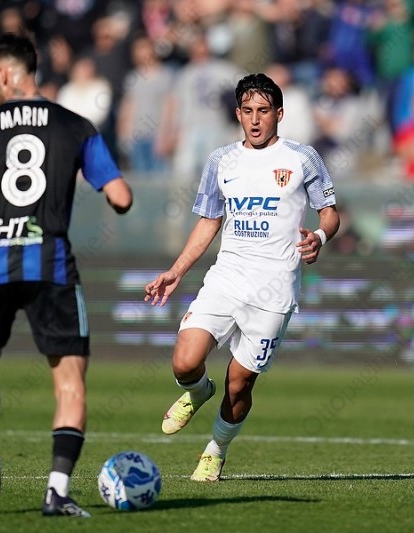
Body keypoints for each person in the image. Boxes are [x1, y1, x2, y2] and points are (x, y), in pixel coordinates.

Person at [0, 34, 133, 518]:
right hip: (50, 265)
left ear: (6, 74)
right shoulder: (75, 126)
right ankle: (57, 491)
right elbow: (121, 197)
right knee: (70, 381)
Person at [144, 73, 340, 482]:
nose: (255, 119)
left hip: (274, 290)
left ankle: (215, 451)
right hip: (227, 278)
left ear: (279, 114)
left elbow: (330, 213)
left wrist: (319, 237)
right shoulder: (221, 160)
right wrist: (176, 271)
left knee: (239, 384)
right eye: (247, 111)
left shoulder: (302, 158)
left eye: (263, 111)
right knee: (184, 362)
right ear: (237, 113)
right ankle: (198, 391)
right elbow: (208, 222)